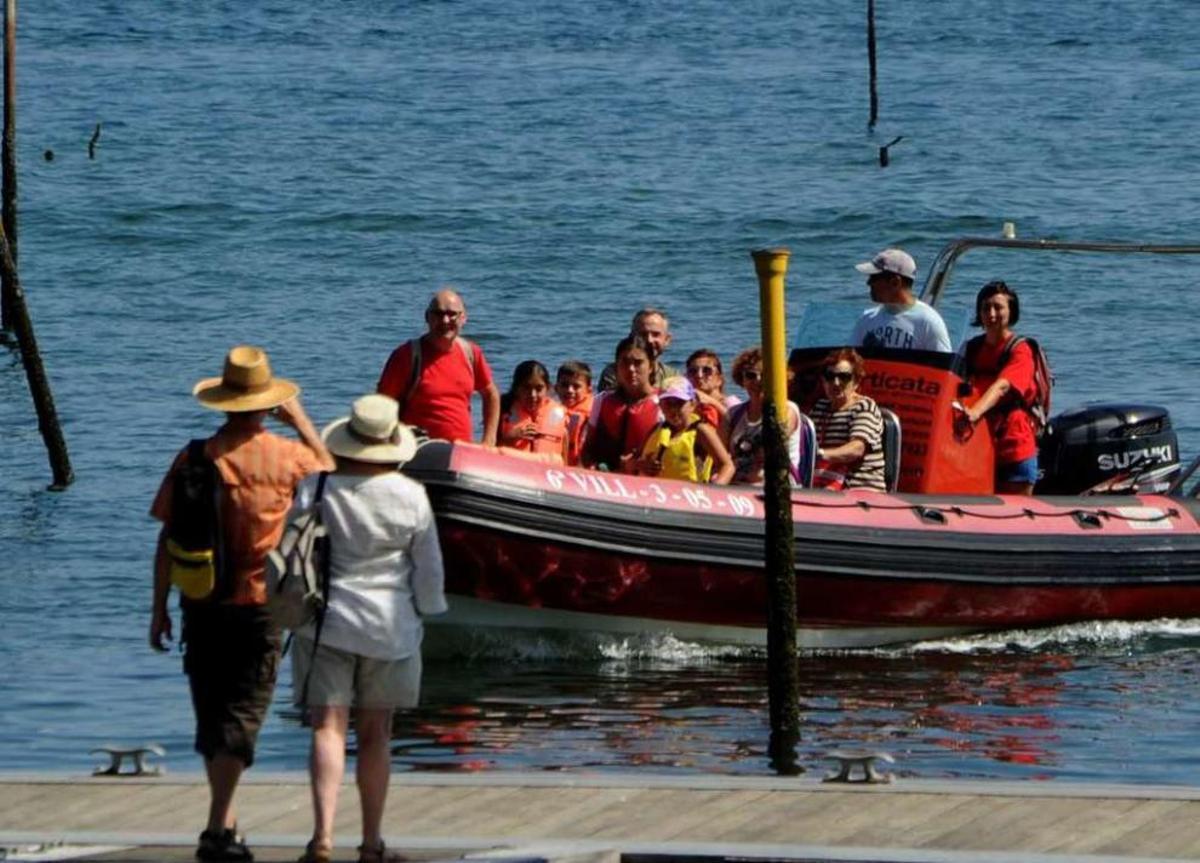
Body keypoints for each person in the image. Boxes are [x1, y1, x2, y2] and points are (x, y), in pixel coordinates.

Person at [149, 345, 334, 862]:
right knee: (243, 715)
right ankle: (216, 830)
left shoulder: (194, 457)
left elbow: (166, 539)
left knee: (212, 713)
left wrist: (157, 608)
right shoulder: (288, 457)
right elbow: (330, 473)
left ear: (225, 402)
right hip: (261, 604)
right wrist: (299, 418)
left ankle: (224, 826)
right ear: (265, 404)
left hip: (200, 598)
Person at [292, 394, 446, 863]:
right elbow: (428, 570)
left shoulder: (316, 488)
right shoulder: (411, 495)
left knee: (327, 727)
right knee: (377, 735)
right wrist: (428, 609)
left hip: (325, 623)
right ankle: (372, 843)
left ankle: (321, 837)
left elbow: (292, 551)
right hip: (390, 628)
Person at [376, 288, 500, 445]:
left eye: (452, 314)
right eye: (438, 314)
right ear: (427, 317)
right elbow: (382, 404)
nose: (445, 321)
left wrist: (489, 440)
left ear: (463, 318)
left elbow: (491, 395)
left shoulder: (471, 353)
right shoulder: (407, 355)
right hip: (417, 452)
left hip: (460, 452)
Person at [960, 280, 1039, 495]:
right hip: (977, 446)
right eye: (986, 308)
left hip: (1013, 447)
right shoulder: (972, 348)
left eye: (998, 307)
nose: (991, 314)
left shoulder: (1020, 350)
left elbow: (1003, 386)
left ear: (1011, 311)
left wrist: (976, 412)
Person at [722, 346, 804, 485]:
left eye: (765, 375)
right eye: (751, 375)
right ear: (742, 379)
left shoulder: (787, 410)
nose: (758, 380)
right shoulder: (733, 414)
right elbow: (720, 453)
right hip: (737, 485)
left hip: (776, 483)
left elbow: (773, 445)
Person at [582, 335, 662, 474]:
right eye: (625, 362)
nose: (631, 369)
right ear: (616, 367)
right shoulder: (601, 401)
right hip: (605, 481)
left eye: (638, 363)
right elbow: (588, 449)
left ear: (651, 366)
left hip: (646, 485)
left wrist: (639, 464)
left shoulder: (663, 404)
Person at [809, 348, 886, 491]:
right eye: (830, 376)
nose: (836, 382)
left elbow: (856, 449)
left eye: (844, 377)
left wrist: (820, 455)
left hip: (859, 490)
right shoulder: (820, 408)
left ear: (856, 381)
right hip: (824, 486)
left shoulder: (864, 407)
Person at [635, 377, 735, 485]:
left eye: (679, 403)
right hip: (657, 494)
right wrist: (641, 465)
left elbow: (727, 466)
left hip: (690, 495)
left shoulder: (701, 431)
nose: (673, 409)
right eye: (667, 403)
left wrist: (715, 488)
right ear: (660, 405)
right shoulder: (655, 430)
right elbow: (632, 461)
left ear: (692, 404)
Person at [851, 248, 952, 352]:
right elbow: (849, 363)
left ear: (895, 282)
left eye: (874, 278)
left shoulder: (928, 322)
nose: (868, 283)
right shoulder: (866, 319)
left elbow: (942, 367)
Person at [498, 360, 568, 462]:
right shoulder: (504, 410)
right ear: (516, 388)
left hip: (548, 472)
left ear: (547, 388)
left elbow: (565, 454)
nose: (532, 395)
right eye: (526, 388)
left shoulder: (559, 413)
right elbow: (489, 448)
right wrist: (511, 437)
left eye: (539, 389)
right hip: (513, 471)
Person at [598, 307, 679, 391]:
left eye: (656, 334)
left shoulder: (673, 376)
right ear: (631, 337)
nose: (649, 340)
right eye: (643, 334)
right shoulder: (615, 373)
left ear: (667, 339)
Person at [685, 348, 740, 427]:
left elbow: (740, 426)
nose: (699, 375)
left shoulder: (730, 403)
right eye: (693, 371)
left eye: (706, 370)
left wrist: (712, 402)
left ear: (719, 379)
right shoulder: (690, 407)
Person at [555, 360, 594, 466]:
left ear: (589, 390)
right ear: (556, 388)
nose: (570, 390)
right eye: (564, 385)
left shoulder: (594, 416)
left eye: (576, 386)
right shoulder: (552, 412)